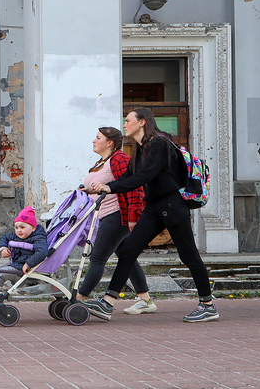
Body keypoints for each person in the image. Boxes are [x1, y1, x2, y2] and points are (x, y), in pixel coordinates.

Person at [80, 108, 219, 324]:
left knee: (188, 255)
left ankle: (208, 305)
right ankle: (107, 303)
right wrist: (102, 187)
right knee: (127, 251)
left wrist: (109, 188)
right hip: (154, 206)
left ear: (142, 122)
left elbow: (145, 175)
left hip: (173, 205)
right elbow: (130, 175)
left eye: (128, 120)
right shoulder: (140, 146)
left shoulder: (158, 143)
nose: (124, 124)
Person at [75, 126, 156, 317]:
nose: (94, 141)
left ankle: (79, 299)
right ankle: (145, 300)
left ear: (109, 142)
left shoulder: (119, 158)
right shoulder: (101, 162)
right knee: (126, 255)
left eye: (98, 138)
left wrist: (133, 217)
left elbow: (134, 186)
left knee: (98, 258)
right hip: (106, 215)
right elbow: (109, 186)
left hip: (117, 215)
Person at [0, 206, 49, 305]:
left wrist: (28, 264)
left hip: (25, 266)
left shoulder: (38, 238)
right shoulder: (16, 236)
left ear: (33, 228)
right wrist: (3, 248)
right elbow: (4, 238)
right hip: (16, 263)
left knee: (1, 272)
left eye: (22, 227)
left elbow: (42, 252)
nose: (19, 230)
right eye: (16, 227)